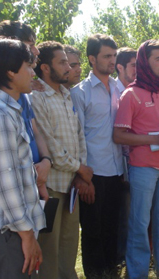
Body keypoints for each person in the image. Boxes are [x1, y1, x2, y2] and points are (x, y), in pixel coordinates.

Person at [0, 20, 51, 279]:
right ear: (10, 72)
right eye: (28, 66)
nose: (32, 71)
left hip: (13, 229)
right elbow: (6, 181)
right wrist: (26, 234)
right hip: (6, 232)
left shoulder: (9, 110)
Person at [113, 39, 159, 278]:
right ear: (145, 61)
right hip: (143, 167)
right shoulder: (130, 94)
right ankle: (138, 273)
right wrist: (154, 140)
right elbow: (119, 135)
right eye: (158, 59)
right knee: (140, 225)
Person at [30, 41, 94, 279]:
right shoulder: (38, 98)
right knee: (49, 248)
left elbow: (79, 137)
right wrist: (80, 168)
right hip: (51, 187)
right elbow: (49, 146)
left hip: (71, 186)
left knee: (69, 244)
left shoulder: (67, 95)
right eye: (63, 62)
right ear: (45, 67)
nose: (68, 67)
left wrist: (80, 173)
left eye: (69, 62)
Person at [70, 34, 124, 277]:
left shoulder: (118, 88)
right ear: (92, 59)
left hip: (117, 169)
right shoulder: (80, 93)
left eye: (114, 56)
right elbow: (76, 136)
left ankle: (111, 268)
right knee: (92, 229)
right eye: (106, 56)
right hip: (93, 171)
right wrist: (82, 177)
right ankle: (95, 272)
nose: (112, 61)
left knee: (113, 225)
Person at [114, 46, 137, 265]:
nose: (137, 70)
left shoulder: (137, 90)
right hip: (115, 161)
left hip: (134, 161)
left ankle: (129, 254)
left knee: (132, 211)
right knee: (121, 211)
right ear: (119, 67)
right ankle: (121, 256)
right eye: (133, 65)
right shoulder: (113, 91)